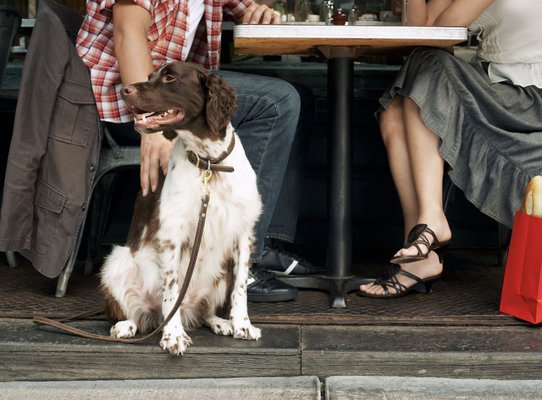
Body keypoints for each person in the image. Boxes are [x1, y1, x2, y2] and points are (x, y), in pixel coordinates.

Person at [76, 0, 317, 302]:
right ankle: (239, 265)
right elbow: (127, 31)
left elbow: (242, 7)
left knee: (300, 98)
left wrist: (260, 12)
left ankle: (263, 243)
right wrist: (150, 121)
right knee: (278, 102)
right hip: (125, 96)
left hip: (174, 94)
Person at [359, 0, 542, 298]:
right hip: (502, 88)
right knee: (397, 109)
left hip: (532, 97)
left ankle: (431, 222)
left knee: (428, 67)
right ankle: (421, 250)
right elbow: (424, 32)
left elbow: (444, 32)